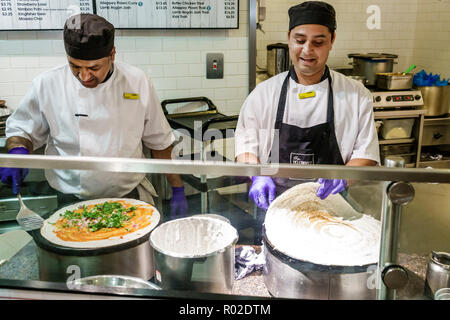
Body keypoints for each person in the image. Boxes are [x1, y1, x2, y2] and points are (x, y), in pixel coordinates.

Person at [0, 13, 188, 218]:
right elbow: (21, 129)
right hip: (69, 200)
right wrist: (17, 151)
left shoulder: (137, 81)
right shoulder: (47, 84)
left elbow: (159, 141)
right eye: (75, 66)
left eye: (94, 68)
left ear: (112, 55)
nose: (84, 76)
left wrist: (177, 188)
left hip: (128, 197)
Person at [235, 1, 380, 211]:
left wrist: (343, 177)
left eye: (318, 42)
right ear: (289, 39)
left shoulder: (356, 95)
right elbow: (245, 147)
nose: (307, 50)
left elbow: (366, 154)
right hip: (276, 206)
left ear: (332, 40)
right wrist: (258, 176)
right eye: (300, 40)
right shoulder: (263, 94)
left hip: (334, 206)